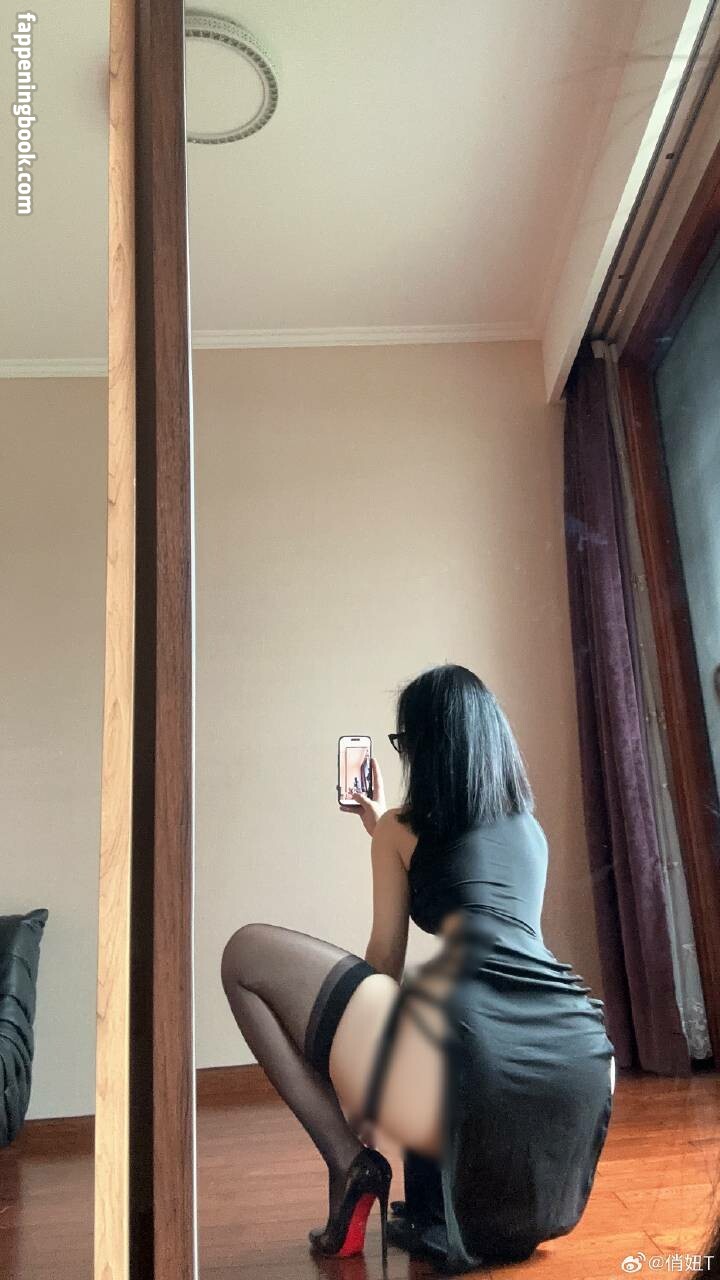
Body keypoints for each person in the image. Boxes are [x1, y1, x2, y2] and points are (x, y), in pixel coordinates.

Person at [220, 664, 616, 1272]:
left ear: (428, 747)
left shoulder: (400, 830)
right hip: (580, 1056)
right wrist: (379, 826)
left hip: (472, 1060)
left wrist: (352, 1084)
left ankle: (348, 1163)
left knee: (244, 954)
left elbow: (384, 964)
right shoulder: (531, 832)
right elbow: (498, 932)